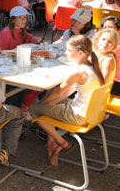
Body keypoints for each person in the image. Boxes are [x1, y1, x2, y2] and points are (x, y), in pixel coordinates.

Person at [29, 35, 104, 166]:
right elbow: (69, 91)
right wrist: (48, 103)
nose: (65, 53)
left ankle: (60, 142)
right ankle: (51, 142)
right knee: (50, 105)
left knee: (33, 109)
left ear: (80, 53)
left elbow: (59, 91)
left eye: (69, 50)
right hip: (91, 113)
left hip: (78, 116)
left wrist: (44, 103)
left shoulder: (79, 73)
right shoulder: (94, 67)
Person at [100, 16, 120, 96]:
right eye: (105, 28)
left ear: (119, 30)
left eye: (111, 28)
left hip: (118, 85)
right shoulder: (115, 41)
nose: (107, 31)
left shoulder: (116, 46)